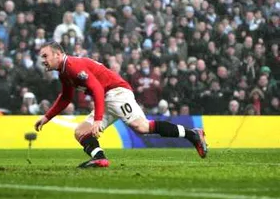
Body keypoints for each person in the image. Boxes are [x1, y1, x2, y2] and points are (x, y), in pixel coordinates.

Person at [34, 42, 207, 168]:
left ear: (57, 54)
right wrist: (47, 117)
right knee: (80, 131)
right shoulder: (64, 72)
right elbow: (65, 97)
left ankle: (193, 135)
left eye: (45, 56)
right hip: (107, 98)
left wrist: (97, 120)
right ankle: (100, 158)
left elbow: (97, 90)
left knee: (142, 127)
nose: (43, 60)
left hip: (117, 92)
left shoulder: (72, 66)